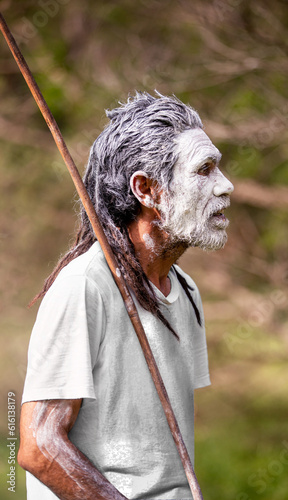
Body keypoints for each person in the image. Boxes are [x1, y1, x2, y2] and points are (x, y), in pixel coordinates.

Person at [18, 91, 234, 500]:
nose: (226, 185)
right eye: (204, 170)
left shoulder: (185, 291)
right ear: (148, 190)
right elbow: (40, 446)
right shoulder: (86, 286)